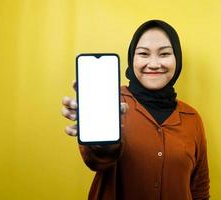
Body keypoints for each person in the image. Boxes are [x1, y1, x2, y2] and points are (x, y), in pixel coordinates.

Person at [61, 19, 210, 200]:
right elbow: (97, 160)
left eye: (164, 54)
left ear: (176, 59)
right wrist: (101, 144)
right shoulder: (111, 102)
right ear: (132, 59)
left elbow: (199, 190)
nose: (154, 64)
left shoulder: (192, 118)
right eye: (143, 54)